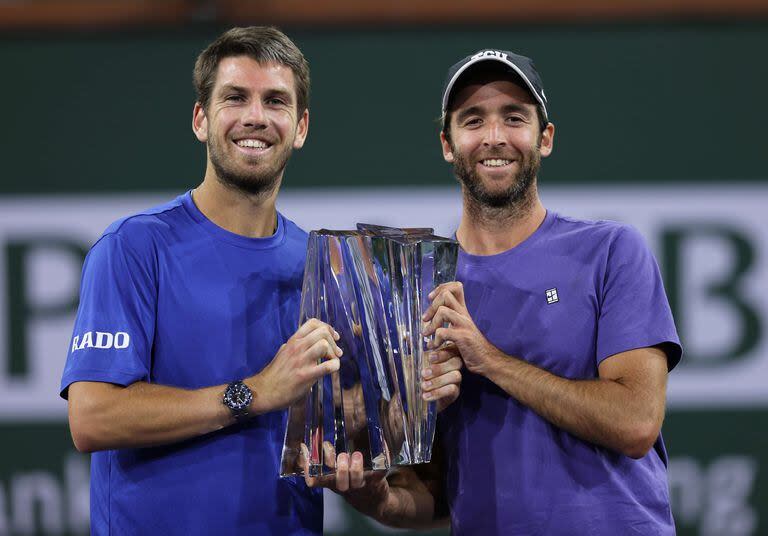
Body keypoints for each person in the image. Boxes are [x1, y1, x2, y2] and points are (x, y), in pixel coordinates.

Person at [59, 26, 462, 535]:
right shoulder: (133, 248)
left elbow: (363, 432)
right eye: (235, 98)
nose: (255, 117)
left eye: (275, 101)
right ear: (201, 119)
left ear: (301, 127)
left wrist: (414, 400)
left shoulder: (328, 267)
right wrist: (253, 393)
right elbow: (93, 417)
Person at [321, 49, 682, 535]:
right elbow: (432, 494)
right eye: (473, 120)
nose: (494, 137)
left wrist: (488, 359)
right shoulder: (416, 287)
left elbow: (637, 422)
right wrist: (376, 495)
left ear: (544, 138)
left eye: (514, 118)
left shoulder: (611, 251)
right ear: (448, 143)